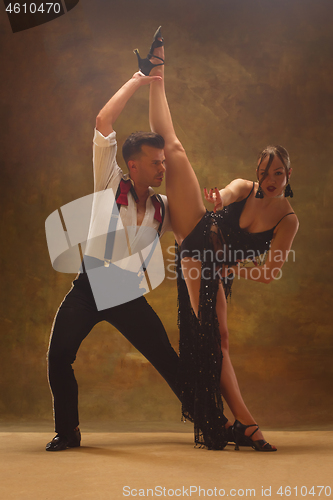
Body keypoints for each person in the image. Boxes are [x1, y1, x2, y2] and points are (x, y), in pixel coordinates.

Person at [137, 27, 299, 451]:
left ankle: (236, 423)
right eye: (265, 172)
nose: (269, 180)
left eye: (277, 174)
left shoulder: (287, 220)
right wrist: (216, 197)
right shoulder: (246, 187)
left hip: (219, 267)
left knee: (218, 340)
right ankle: (157, 74)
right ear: (258, 171)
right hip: (199, 236)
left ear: (288, 176)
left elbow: (269, 272)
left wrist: (234, 265)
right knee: (174, 150)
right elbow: (224, 195)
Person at [46, 70, 182, 451]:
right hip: (89, 287)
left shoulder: (164, 208)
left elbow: (200, 222)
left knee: (167, 360)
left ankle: (211, 420)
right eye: (156, 162)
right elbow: (104, 121)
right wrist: (140, 79)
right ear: (133, 165)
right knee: (59, 356)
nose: (162, 168)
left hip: (125, 292)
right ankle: (68, 432)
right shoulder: (108, 181)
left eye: (164, 162)